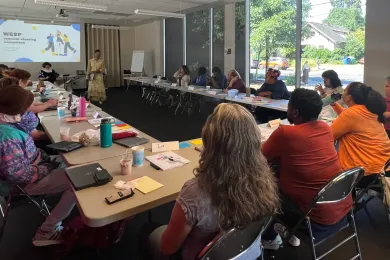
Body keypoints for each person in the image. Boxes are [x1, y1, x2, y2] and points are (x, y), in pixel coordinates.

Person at [146, 103, 279, 260]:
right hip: (248, 253)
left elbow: (168, 247)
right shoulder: (265, 178)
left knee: (149, 232)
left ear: (208, 142)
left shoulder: (195, 192)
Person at [261, 88, 353, 250]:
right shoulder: (325, 128)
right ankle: (283, 228)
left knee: (259, 186)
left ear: (295, 112)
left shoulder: (285, 133)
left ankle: (270, 237)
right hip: (342, 212)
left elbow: (259, 158)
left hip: (310, 218)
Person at [0, 84, 76, 246]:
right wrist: (46, 167)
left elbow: (29, 125)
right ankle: (46, 231)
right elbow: (17, 175)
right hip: (25, 183)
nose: (31, 109)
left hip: (37, 165)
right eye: (27, 107)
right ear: (17, 110)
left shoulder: (10, 123)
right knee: (80, 180)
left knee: (76, 162)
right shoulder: (7, 137)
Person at [330, 82, 390, 187]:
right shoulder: (369, 110)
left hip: (364, 173)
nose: (342, 94)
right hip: (384, 168)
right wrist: (335, 104)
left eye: (345, 91)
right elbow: (351, 119)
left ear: (349, 97)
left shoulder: (351, 114)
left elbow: (329, 137)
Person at [0, 77, 47, 142]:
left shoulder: (12, 108)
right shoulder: (14, 114)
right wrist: (49, 135)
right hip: (35, 140)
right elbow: (34, 135)